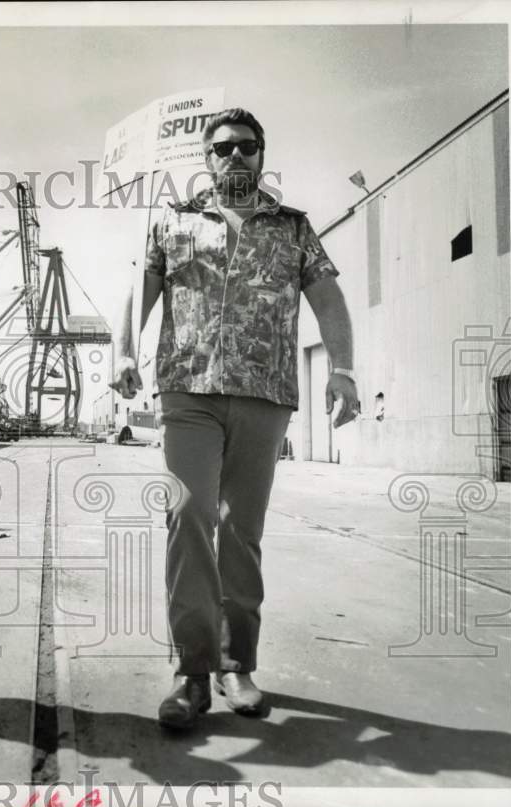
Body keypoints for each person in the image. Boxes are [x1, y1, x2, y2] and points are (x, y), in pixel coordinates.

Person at [111, 108, 360, 729]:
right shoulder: (173, 221)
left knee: (240, 529)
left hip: (264, 394)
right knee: (189, 516)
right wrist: (122, 350)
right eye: (222, 148)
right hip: (189, 391)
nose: (235, 156)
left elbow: (327, 297)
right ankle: (191, 674)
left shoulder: (294, 228)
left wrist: (344, 369)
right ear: (206, 158)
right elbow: (141, 287)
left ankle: (236, 664)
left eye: (247, 147)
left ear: (261, 154)